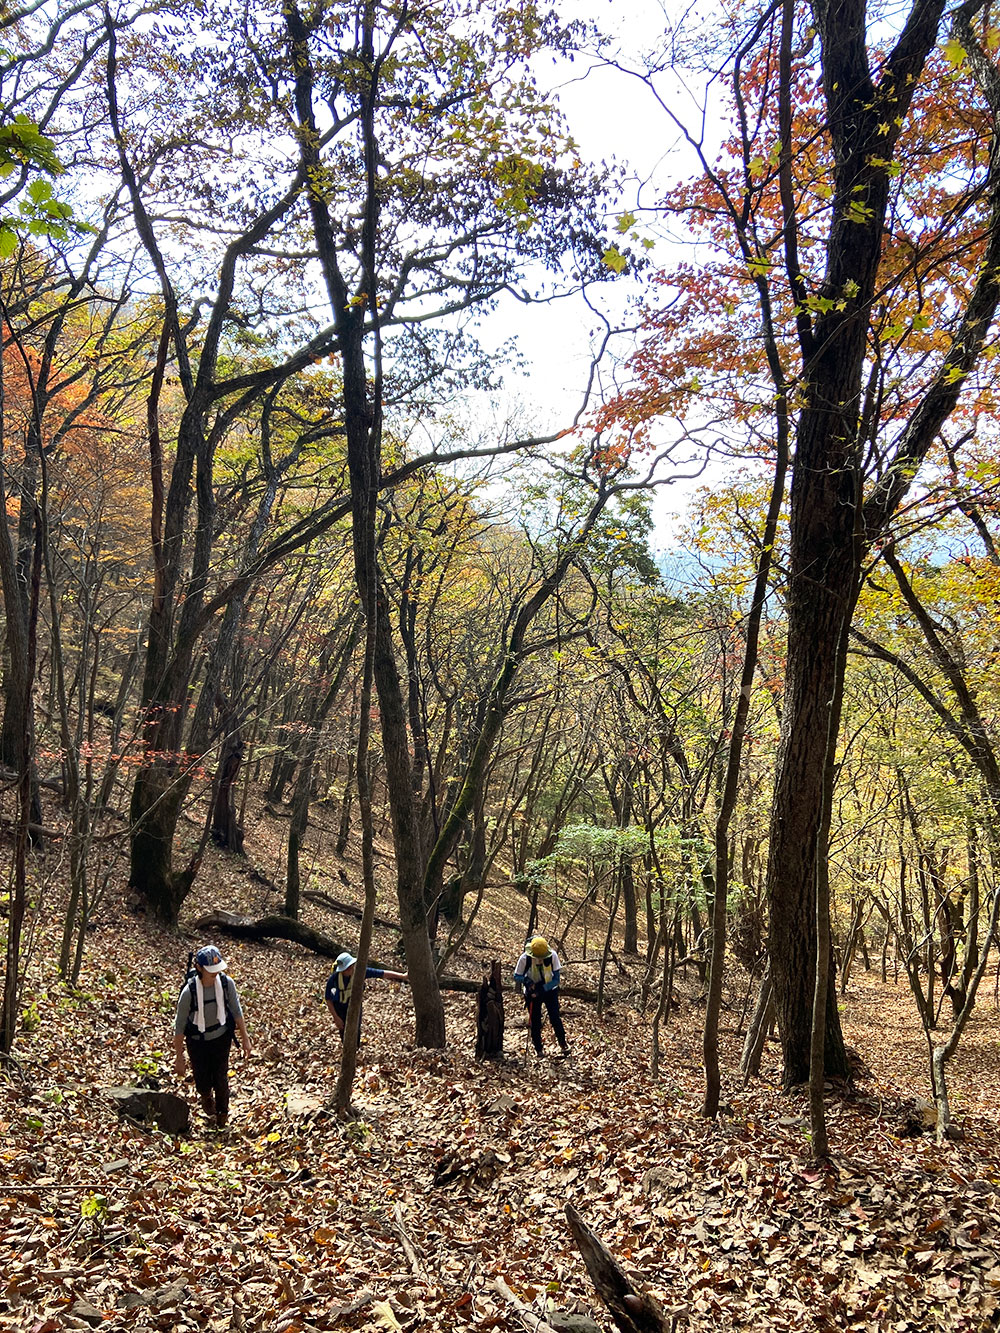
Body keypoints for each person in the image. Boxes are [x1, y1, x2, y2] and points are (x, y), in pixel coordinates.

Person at [173, 944, 251, 1129]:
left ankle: (222, 1114)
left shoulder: (226, 983)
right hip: (197, 1041)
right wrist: (179, 1057)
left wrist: (245, 1038)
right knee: (202, 1077)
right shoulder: (189, 992)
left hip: (221, 1036)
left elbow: (236, 1011)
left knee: (221, 1076)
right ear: (199, 968)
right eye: (210, 970)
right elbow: (179, 1025)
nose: (215, 974)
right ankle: (206, 1096)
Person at [325, 951, 408, 1039]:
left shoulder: (359, 973)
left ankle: (355, 1048)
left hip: (355, 1005)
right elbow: (328, 998)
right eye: (347, 968)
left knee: (356, 1030)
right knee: (343, 1031)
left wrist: (402, 976)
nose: (350, 969)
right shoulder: (333, 979)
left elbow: (381, 973)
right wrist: (336, 1017)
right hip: (340, 1007)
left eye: (351, 966)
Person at [514, 936, 569, 1057]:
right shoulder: (524, 958)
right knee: (535, 1020)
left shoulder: (553, 956)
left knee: (555, 1017)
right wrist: (527, 981)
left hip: (549, 990)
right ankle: (538, 1048)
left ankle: (563, 1043)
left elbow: (556, 979)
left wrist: (542, 989)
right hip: (531, 992)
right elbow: (516, 976)